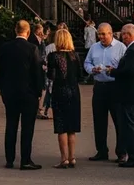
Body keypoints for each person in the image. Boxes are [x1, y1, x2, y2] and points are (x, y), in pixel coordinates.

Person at [0, 19, 43, 170]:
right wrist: (38, 92)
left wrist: (3, 90)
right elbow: (37, 72)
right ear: (28, 32)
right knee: (27, 127)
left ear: (15, 30)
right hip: (28, 93)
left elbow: (1, 71)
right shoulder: (32, 48)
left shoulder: (5, 48)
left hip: (10, 93)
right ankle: (25, 159)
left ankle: (9, 159)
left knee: (11, 125)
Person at [83, 21, 126, 162]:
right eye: (99, 34)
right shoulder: (94, 47)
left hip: (115, 87)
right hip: (99, 86)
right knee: (99, 120)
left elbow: (125, 67)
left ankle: (121, 151)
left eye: (103, 34)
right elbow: (87, 62)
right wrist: (91, 69)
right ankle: (101, 150)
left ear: (111, 33)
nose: (101, 37)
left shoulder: (120, 48)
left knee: (119, 120)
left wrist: (114, 70)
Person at [112, 23, 134, 168]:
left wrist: (112, 71)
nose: (122, 36)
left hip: (130, 92)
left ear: (129, 34)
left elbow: (129, 71)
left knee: (131, 124)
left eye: (123, 34)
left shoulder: (133, 50)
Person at [45, 27, 82, 169]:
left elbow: (51, 76)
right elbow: (80, 75)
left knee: (61, 127)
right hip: (74, 91)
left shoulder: (53, 56)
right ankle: (72, 157)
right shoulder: (75, 55)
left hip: (60, 91)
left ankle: (64, 158)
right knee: (72, 127)